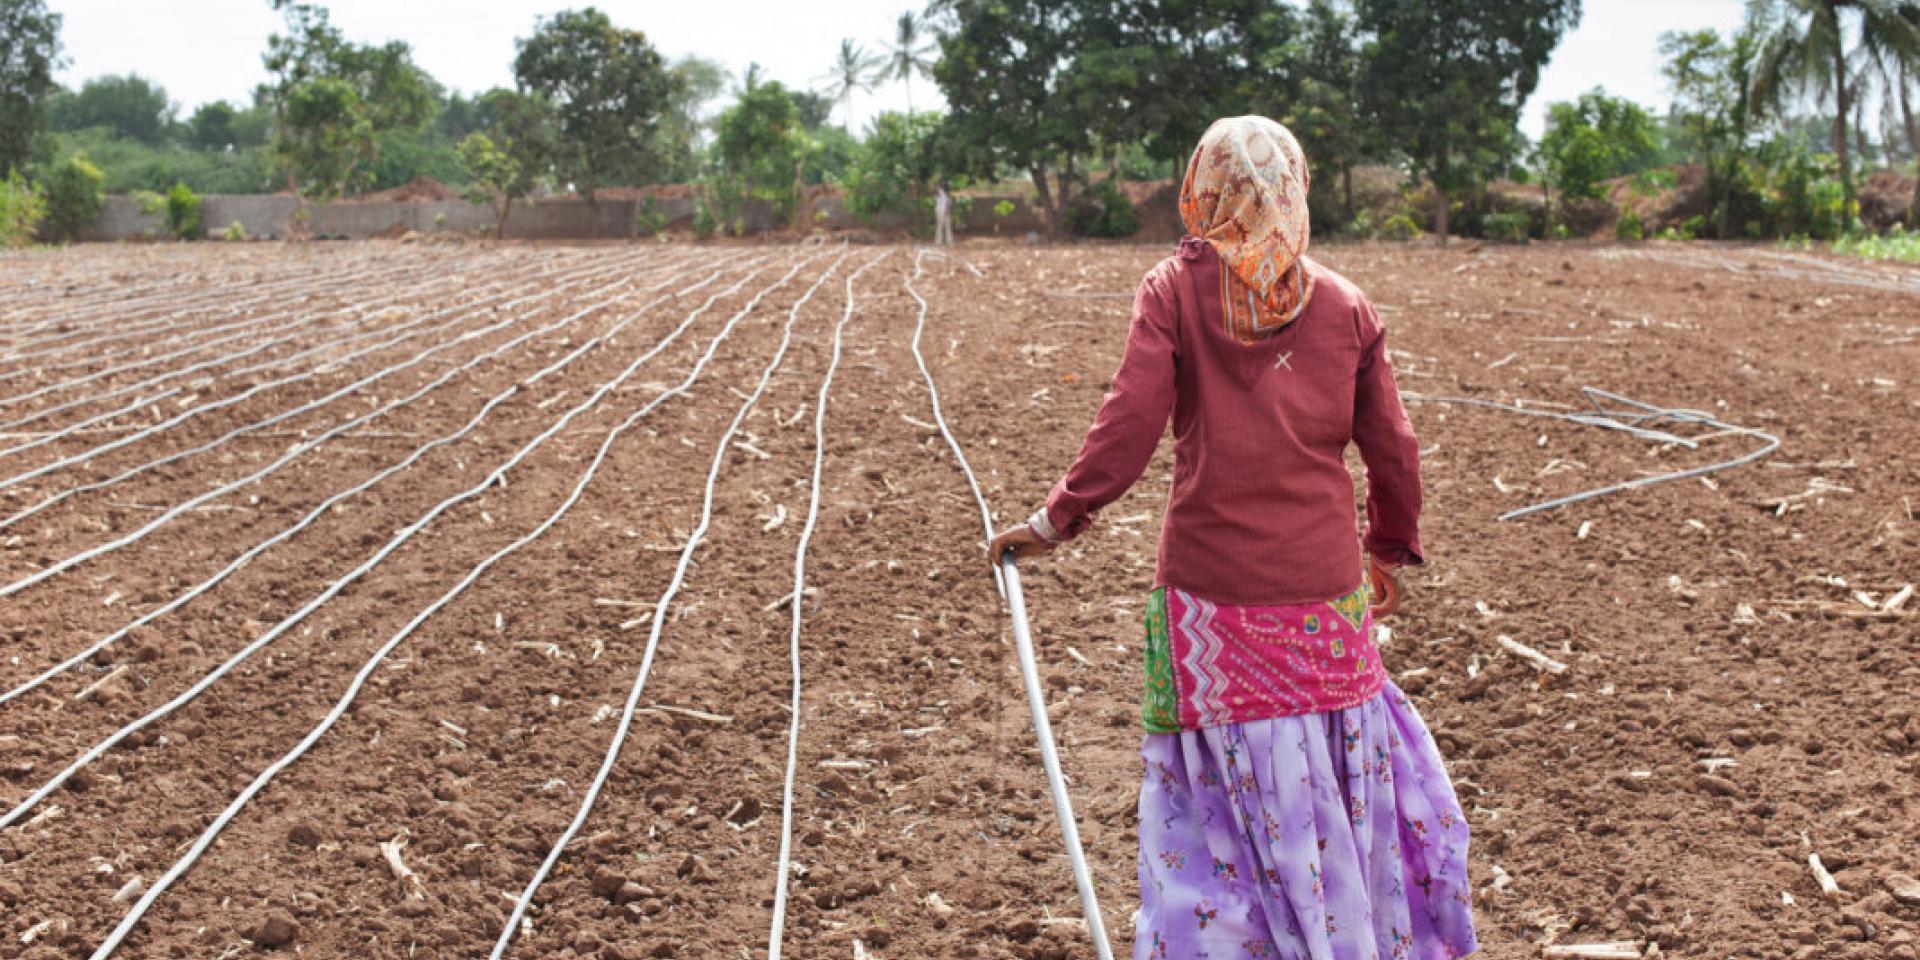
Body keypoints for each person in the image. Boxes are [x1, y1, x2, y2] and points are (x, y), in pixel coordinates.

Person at [988, 116, 1477, 960]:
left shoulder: (1174, 290)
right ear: (1295, 190)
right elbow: (1393, 448)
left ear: (1203, 188)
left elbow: (1131, 421)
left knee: (1216, 813)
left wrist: (1054, 521)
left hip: (1210, 607)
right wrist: (1387, 546)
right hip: (1327, 596)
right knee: (1331, 790)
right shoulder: (1346, 306)